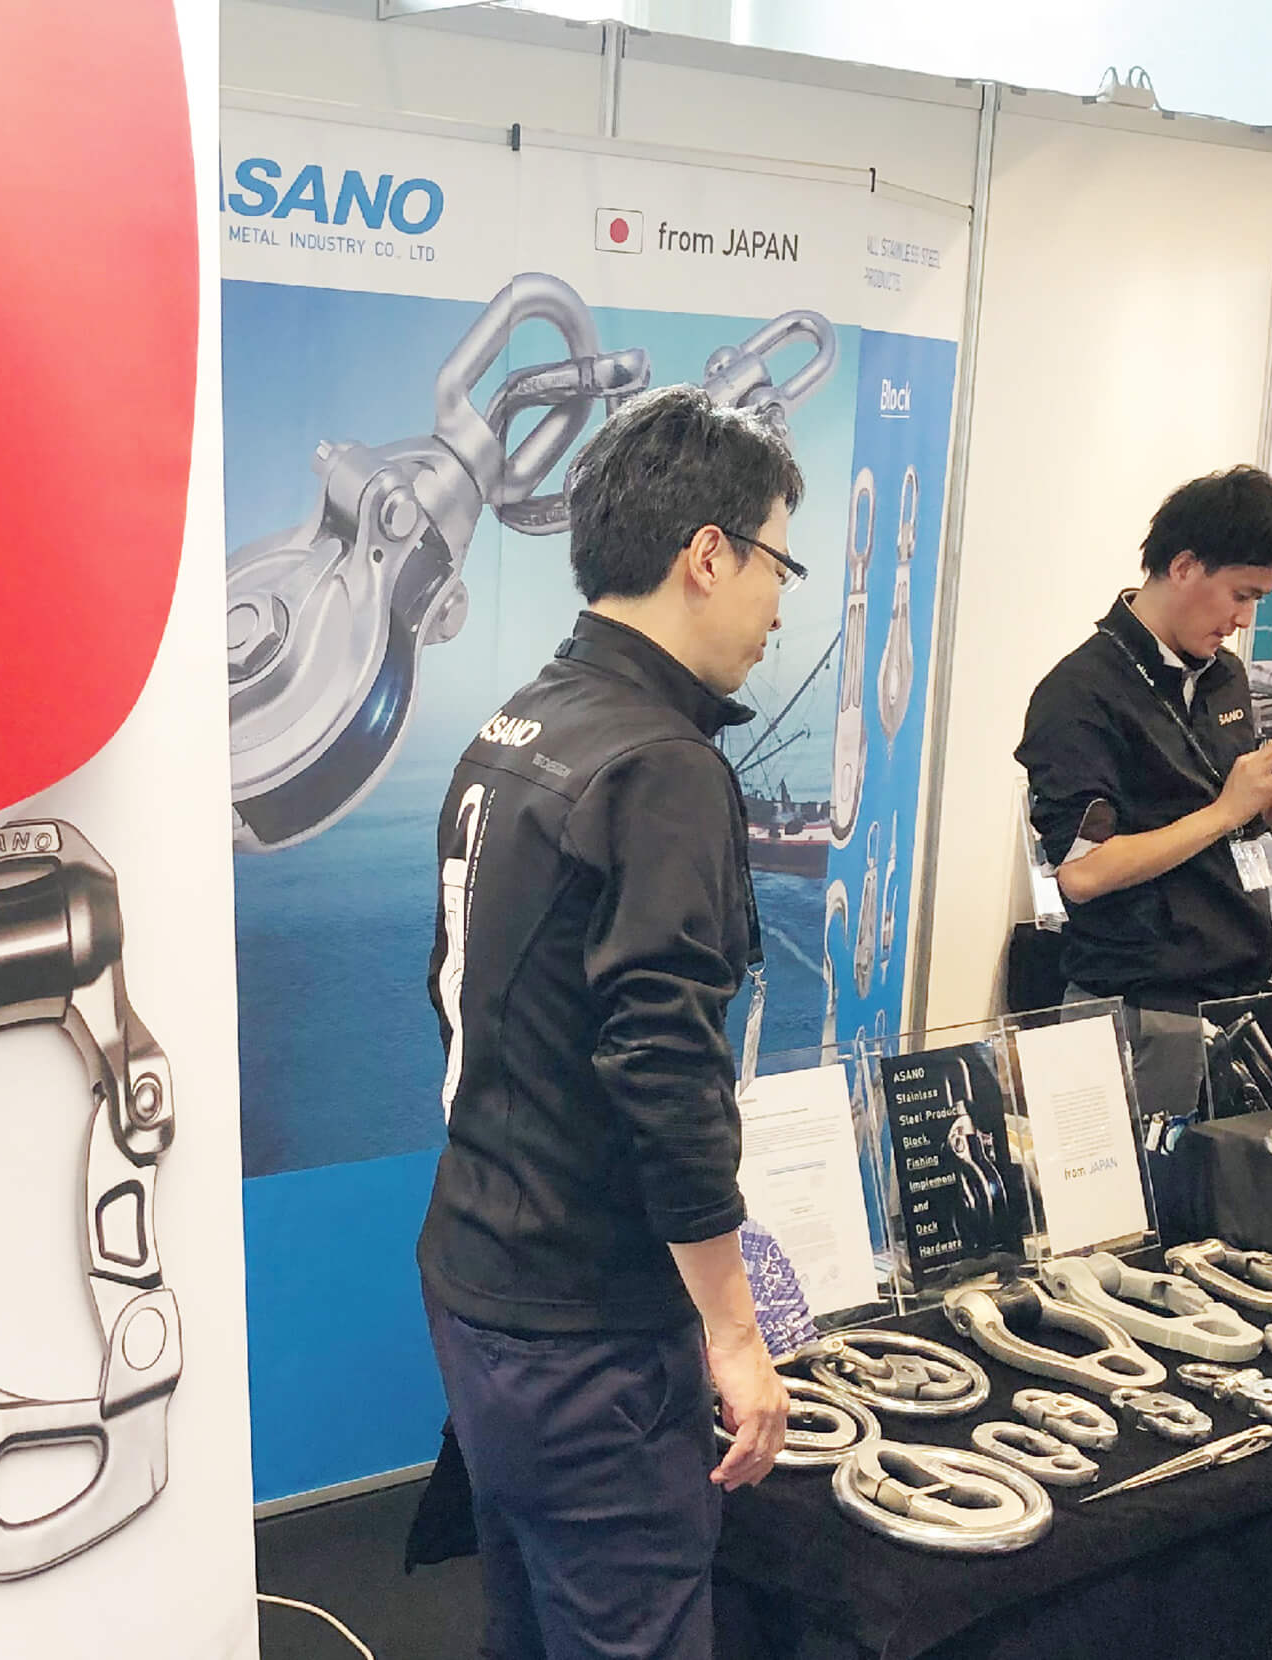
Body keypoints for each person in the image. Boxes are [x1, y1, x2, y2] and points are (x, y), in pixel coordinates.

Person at [417, 385, 794, 1660]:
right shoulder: (661, 766)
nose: (780, 608)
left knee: (529, 1621)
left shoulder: (519, 722)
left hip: (479, 1272)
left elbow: (460, 990)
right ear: (709, 554)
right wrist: (735, 1333)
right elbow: (667, 1071)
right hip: (588, 1333)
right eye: (778, 565)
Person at [1014, 465, 1272, 1013]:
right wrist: (1228, 811)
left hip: (1238, 988)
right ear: (1184, 567)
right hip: (1140, 1003)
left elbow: (1208, 813)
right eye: (1240, 595)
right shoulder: (1079, 693)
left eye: (1259, 600)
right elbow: (1085, 872)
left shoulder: (1224, 675)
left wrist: (1271, 807)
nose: (1244, 618)